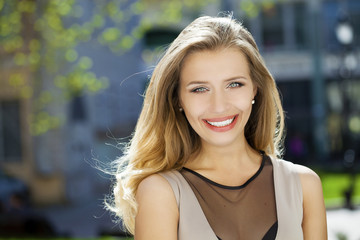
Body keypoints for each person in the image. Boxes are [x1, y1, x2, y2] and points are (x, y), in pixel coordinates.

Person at [107, 15, 327, 239]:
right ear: (177, 100)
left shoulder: (303, 186)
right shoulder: (161, 192)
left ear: (255, 89)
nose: (219, 106)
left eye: (234, 84)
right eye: (199, 89)